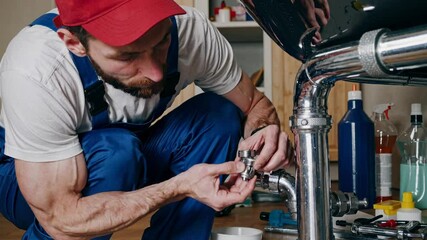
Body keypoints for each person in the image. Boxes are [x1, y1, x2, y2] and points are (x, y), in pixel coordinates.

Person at [0, 0, 329, 239]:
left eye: (160, 43)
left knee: (219, 114)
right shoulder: (35, 68)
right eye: (127, 56)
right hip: (33, 182)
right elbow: (60, 217)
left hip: (131, 153)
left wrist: (264, 134)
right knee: (115, 153)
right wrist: (181, 186)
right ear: (75, 43)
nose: (156, 71)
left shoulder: (190, 31)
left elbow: (254, 104)